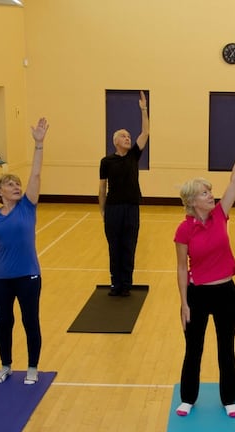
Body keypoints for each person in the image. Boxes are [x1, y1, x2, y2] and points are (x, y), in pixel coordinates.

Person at [174, 122, 235, 419]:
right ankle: (188, 398)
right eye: (205, 193)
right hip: (197, 295)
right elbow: (182, 268)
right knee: (193, 349)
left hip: (225, 293)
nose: (212, 195)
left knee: (226, 348)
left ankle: (228, 399)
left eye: (210, 192)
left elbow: (234, 181)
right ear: (193, 201)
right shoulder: (184, 230)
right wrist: (183, 302)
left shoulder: (221, 215)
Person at [0, 117, 50, 385]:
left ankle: (32, 367)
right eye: (10, 184)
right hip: (0, 278)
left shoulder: (27, 206)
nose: (16, 187)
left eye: (17, 184)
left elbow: (35, 174)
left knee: (30, 321)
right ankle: (5, 365)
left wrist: (39, 144)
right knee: (3, 322)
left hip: (28, 275)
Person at [99, 91, 150, 296]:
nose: (128, 138)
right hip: (112, 208)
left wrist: (143, 109)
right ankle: (115, 283)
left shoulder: (133, 156)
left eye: (129, 136)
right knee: (114, 247)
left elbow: (145, 133)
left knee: (129, 246)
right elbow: (102, 188)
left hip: (131, 207)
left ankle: (127, 283)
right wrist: (102, 210)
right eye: (124, 136)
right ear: (115, 141)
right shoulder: (106, 161)